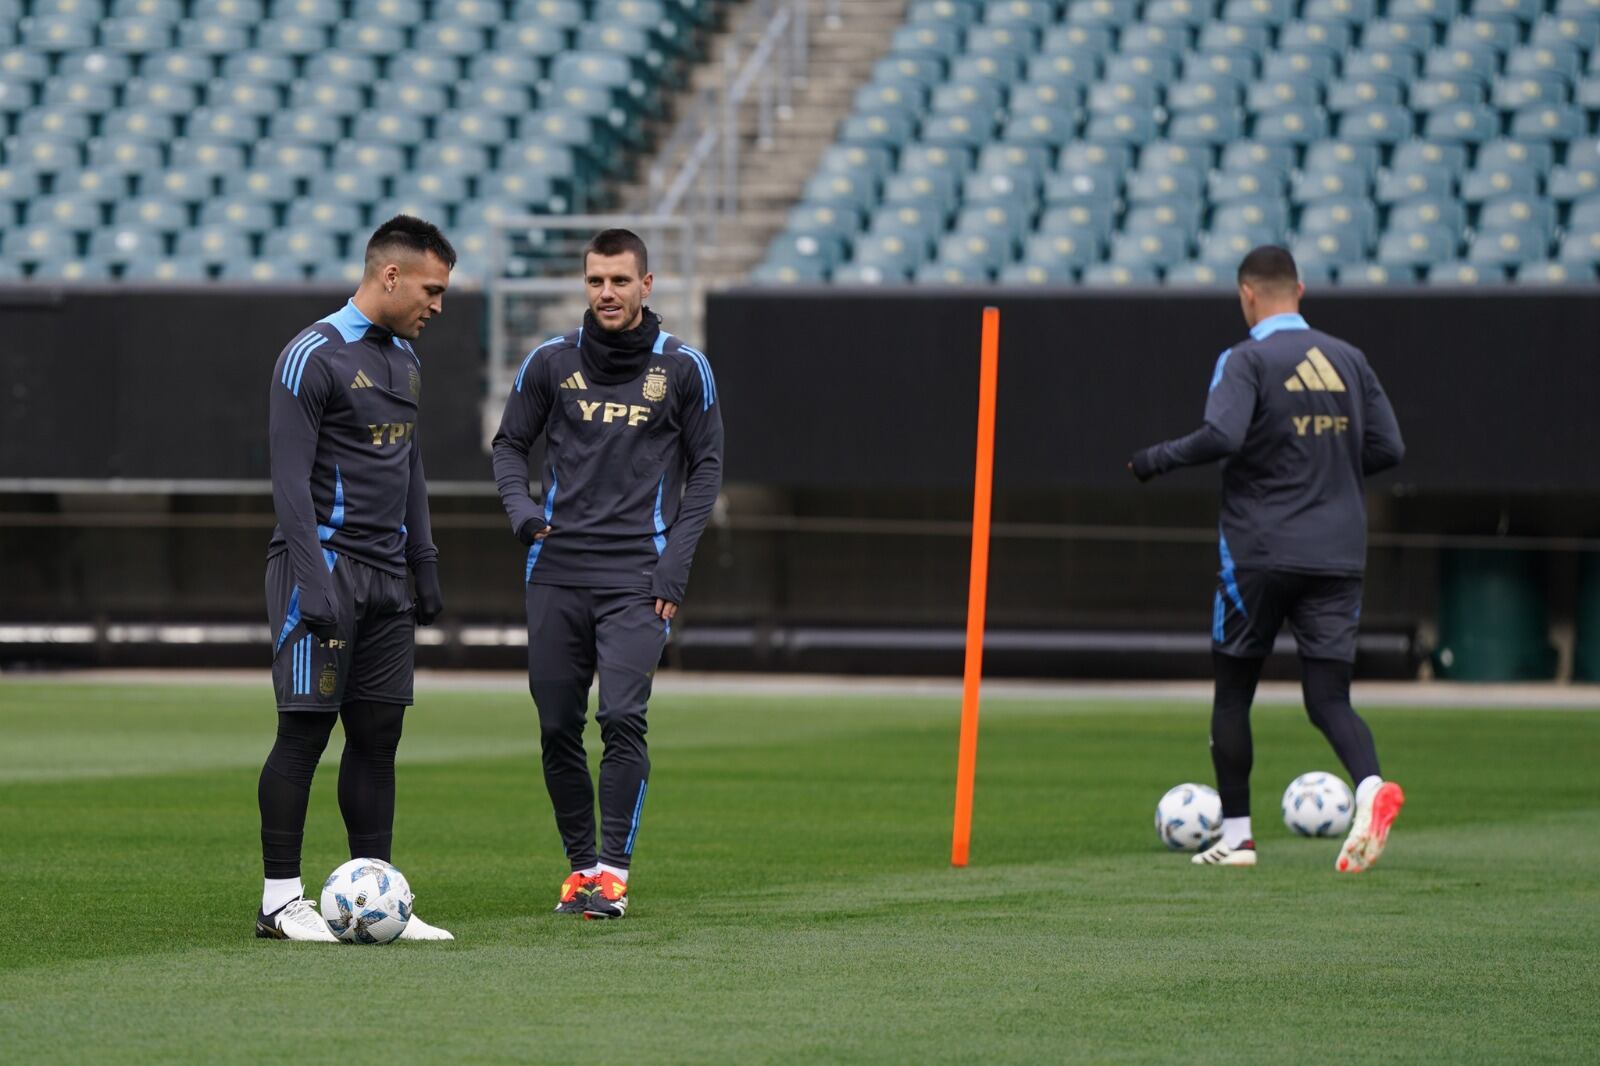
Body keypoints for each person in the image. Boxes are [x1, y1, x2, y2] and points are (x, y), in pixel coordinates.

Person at [1129, 245, 1407, 873]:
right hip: (1338, 553)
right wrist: (1325, 471)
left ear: (1247, 295)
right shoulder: (1349, 358)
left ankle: (1238, 837)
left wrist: (1156, 459)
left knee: (1233, 693)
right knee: (1328, 697)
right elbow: (1389, 446)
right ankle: (1370, 788)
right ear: (1300, 290)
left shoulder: (1245, 358)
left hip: (1258, 551)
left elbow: (1223, 436)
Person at [492, 228, 723, 919]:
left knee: (621, 716)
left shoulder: (683, 368)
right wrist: (523, 514)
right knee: (558, 725)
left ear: (646, 286)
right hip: (556, 571)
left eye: (620, 281)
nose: (607, 293)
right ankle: (581, 868)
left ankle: (613, 874)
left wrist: (673, 569)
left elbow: (707, 469)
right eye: (596, 281)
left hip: (637, 578)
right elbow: (509, 445)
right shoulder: (548, 362)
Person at [256, 215, 456, 940]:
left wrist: (424, 561)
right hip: (324, 566)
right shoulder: (311, 354)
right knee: (303, 733)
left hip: (386, 578)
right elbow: (287, 482)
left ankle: (380, 903)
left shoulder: (405, 360)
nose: (439, 305)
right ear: (390, 275)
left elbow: (409, 465)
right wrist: (311, 581)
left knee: (378, 737)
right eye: (432, 290)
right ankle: (279, 901)